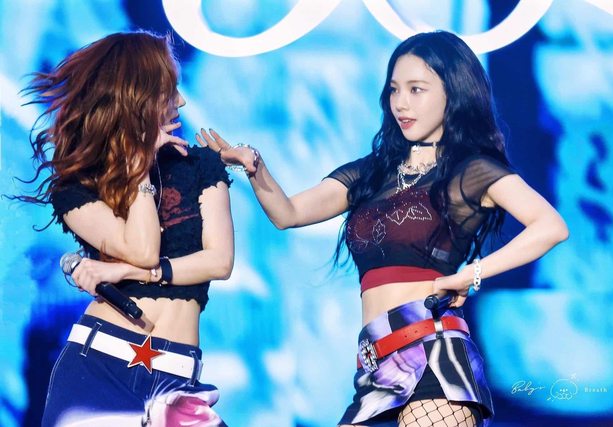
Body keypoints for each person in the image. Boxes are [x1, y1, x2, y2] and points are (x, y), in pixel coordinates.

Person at [197, 31, 569, 427]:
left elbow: (550, 226)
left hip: (434, 356)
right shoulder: (370, 173)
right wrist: (254, 166)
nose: (401, 103)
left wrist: (471, 274)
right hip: (375, 368)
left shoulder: (470, 171)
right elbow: (287, 213)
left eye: (416, 89)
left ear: (453, 93)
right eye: (394, 90)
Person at [19, 32, 233, 426]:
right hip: (99, 367)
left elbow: (219, 262)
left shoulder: (200, 166)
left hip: (177, 377)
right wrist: (139, 167)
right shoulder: (78, 189)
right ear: (140, 96)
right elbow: (143, 249)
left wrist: (128, 272)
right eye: (170, 90)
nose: (182, 102)